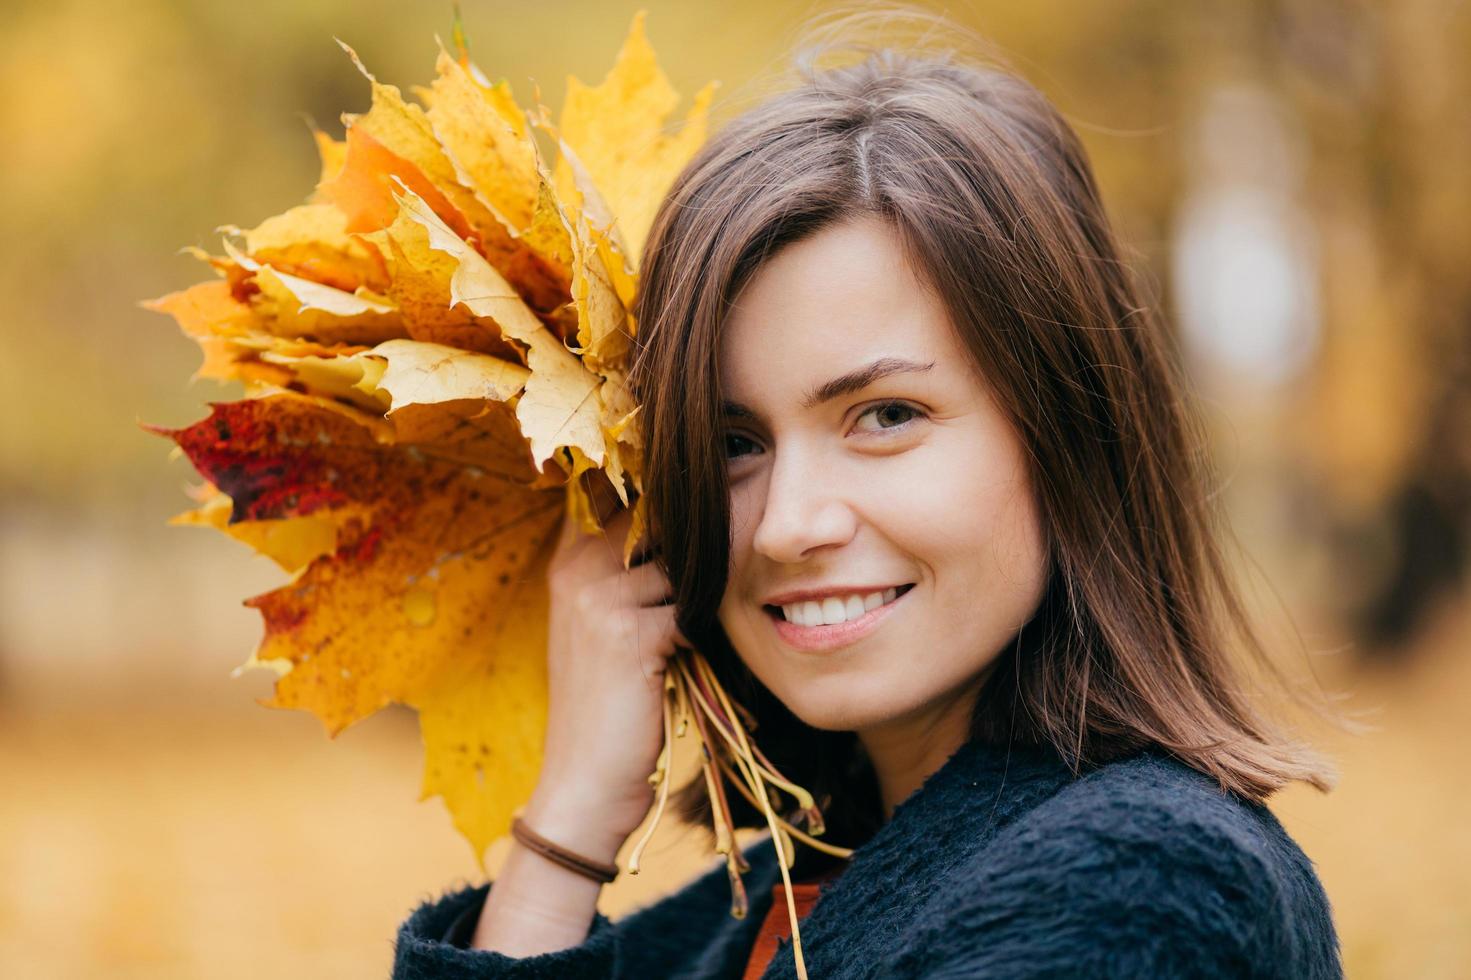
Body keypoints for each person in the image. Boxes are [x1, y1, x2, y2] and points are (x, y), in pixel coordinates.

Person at [392, 10, 1345, 979]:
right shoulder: (792, 893)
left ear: (1068, 434)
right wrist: (568, 827)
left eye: (885, 415)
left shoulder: (1137, 879)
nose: (788, 523)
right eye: (731, 441)